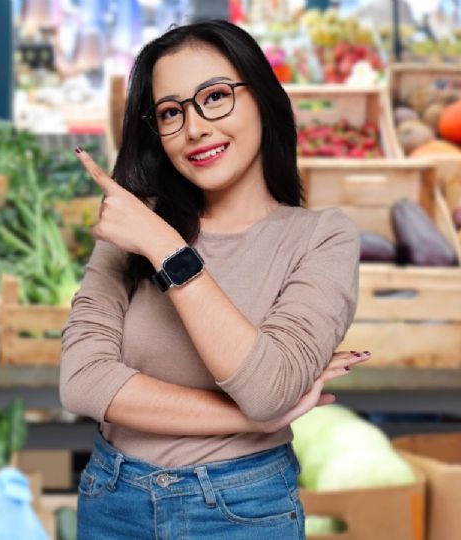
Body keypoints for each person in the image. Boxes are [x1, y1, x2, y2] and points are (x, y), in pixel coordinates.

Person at [60, 20, 367, 539]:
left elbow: (269, 390)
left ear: (264, 99)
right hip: (112, 500)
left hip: (241, 509)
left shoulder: (321, 237)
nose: (195, 128)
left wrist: (166, 248)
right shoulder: (133, 226)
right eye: (171, 112)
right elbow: (83, 382)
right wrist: (251, 422)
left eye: (216, 97)